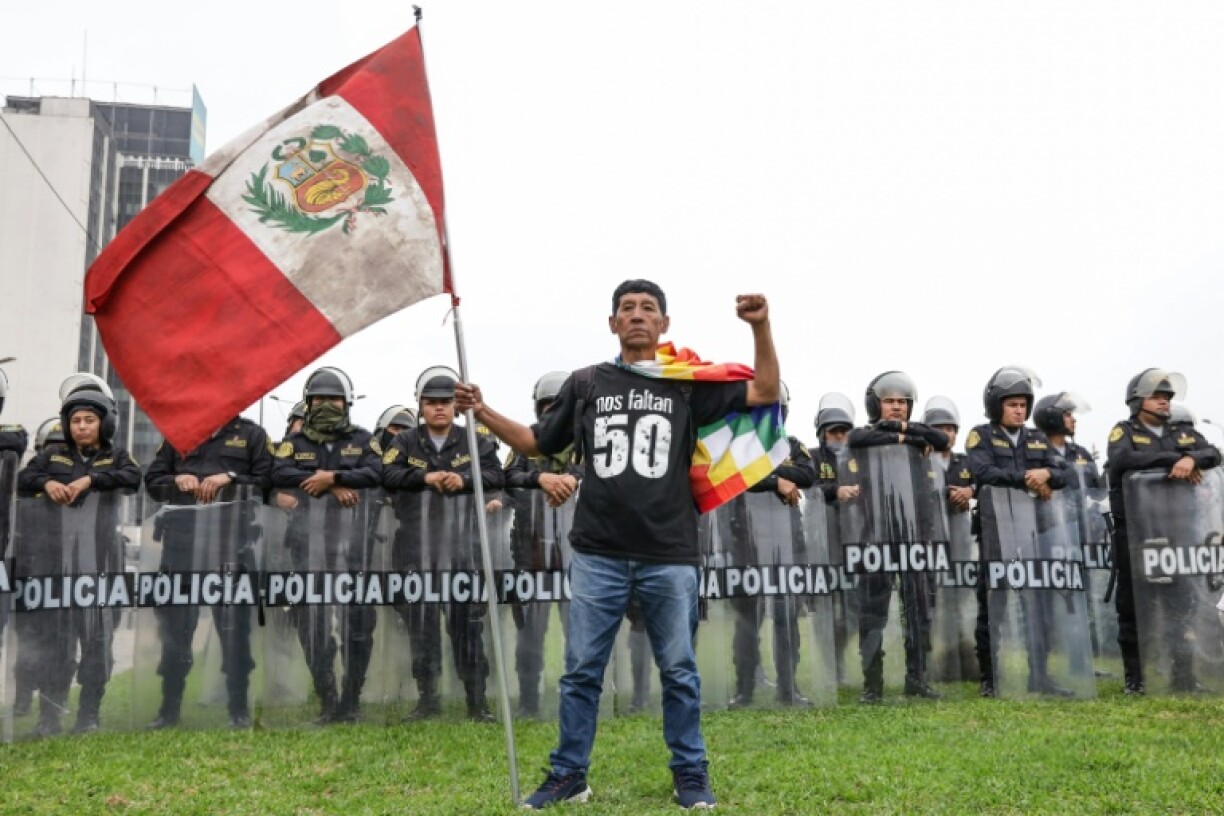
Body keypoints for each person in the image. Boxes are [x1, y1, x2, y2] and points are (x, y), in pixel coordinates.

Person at [457, 280, 779, 810]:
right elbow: (539, 442)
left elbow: (764, 391)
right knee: (582, 668)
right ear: (612, 324)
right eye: (626, 309)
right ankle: (569, 774)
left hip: (668, 552)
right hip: (598, 551)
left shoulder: (684, 384)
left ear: (664, 325)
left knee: (679, 670)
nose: (636, 315)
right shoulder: (586, 384)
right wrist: (484, 411)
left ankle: (690, 773)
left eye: (648, 309)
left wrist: (760, 326)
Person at [16, 375, 141, 734]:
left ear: (105, 423)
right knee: (56, 642)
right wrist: (47, 482)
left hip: (100, 565)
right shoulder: (51, 455)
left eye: (89, 420)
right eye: (76, 421)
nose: (82, 427)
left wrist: (91, 480)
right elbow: (24, 478)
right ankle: (49, 715)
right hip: (57, 563)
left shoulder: (116, 456)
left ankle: (89, 714)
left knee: (97, 642)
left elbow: (132, 478)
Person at [382, 367, 504, 722]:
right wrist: (425, 477)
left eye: (446, 403)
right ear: (420, 405)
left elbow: (497, 475)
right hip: (415, 548)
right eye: (431, 403)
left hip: (462, 547)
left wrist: (463, 480)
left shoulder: (477, 441)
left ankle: (476, 703)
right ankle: (428, 699)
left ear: (456, 406)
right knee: (422, 625)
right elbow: (385, 474)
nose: (439, 409)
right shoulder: (404, 442)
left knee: (467, 625)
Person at [143, 415, 273, 729]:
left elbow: (268, 479)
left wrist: (230, 477)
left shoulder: (252, 435)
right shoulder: (179, 432)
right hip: (181, 548)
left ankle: (238, 711)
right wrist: (176, 480)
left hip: (230, 547)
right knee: (176, 631)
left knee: (234, 633)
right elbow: (152, 482)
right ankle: (168, 710)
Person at [270, 367, 382, 724]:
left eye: (334, 399)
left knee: (358, 626)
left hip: (354, 550)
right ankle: (328, 700)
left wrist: (335, 476)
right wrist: (324, 484)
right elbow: (277, 473)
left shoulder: (364, 440)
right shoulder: (296, 443)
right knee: (313, 627)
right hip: (309, 552)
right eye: (319, 399)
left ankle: (351, 701)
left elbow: (379, 472)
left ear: (346, 402)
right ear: (308, 402)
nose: (326, 405)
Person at [1106, 369, 1221, 694]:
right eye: (1157, 396)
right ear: (1138, 400)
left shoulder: (1183, 432)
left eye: (1167, 397)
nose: (1164, 402)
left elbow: (1212, 453)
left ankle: (1183, 678)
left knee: (1181, 608)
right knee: (1133, 610)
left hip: (1178, 534)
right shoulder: (1124, 431)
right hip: (1137, 535)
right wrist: (1179, 460)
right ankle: (1136, 681)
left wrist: (1192, 457)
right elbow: (1123, 459)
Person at [845, 372, 950, 703]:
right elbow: (857, 440)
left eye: (903, 402)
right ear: (876, 403)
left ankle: (916, 678)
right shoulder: (866, 434)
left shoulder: (922, 434)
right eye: (889, 401)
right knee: (873, 613)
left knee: (919, 610)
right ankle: (872, 684)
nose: (897, 408)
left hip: (916, 537)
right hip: (875, 537)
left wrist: (904, 432)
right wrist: (906, 438)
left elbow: (943, 440)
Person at [965, 366, 1070, 698]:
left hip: (1033, 532)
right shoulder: (980, 434)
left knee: (1036, 607)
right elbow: (983, 471)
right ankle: (990, 679)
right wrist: (1032, 477)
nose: (1019, 410)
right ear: (997, 405)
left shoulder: (1037, 437)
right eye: (1012, 404)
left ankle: (1039, 676)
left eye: (1024, 404)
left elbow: (1063, 472)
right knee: (993, 606)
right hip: (995, 532)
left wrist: (1047, 474)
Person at [727, 381, 816, 708]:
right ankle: (744, 690)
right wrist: (778, 479)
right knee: (746, 620)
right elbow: (735, 474)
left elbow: (808, 474)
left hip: (787, 543)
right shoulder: (737, 446)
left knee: (786, 617)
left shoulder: (793, 444)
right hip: (746, 543)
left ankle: (788, 688)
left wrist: (764, 474)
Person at [503, 371, 583, 717]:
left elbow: (600, 475)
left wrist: (571, 478)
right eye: (546, 407)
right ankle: (529, 701)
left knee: (579, 632)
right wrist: (539, 478)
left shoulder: (588, 444)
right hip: (530, 552)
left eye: (559, 407)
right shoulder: (523, 445)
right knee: (530, 635)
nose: (553, 412)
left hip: (577, 554)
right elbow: (505, 477)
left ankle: (579, 701)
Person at [1033, 393, 1101, 489]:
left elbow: (1098, 493)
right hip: (1048, 504)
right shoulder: (1035, 454)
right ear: (1052, 418)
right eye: (1068, 415)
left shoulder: (1081, 453)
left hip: (1080, 504)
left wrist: (1111, 470)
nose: (1074, 420)